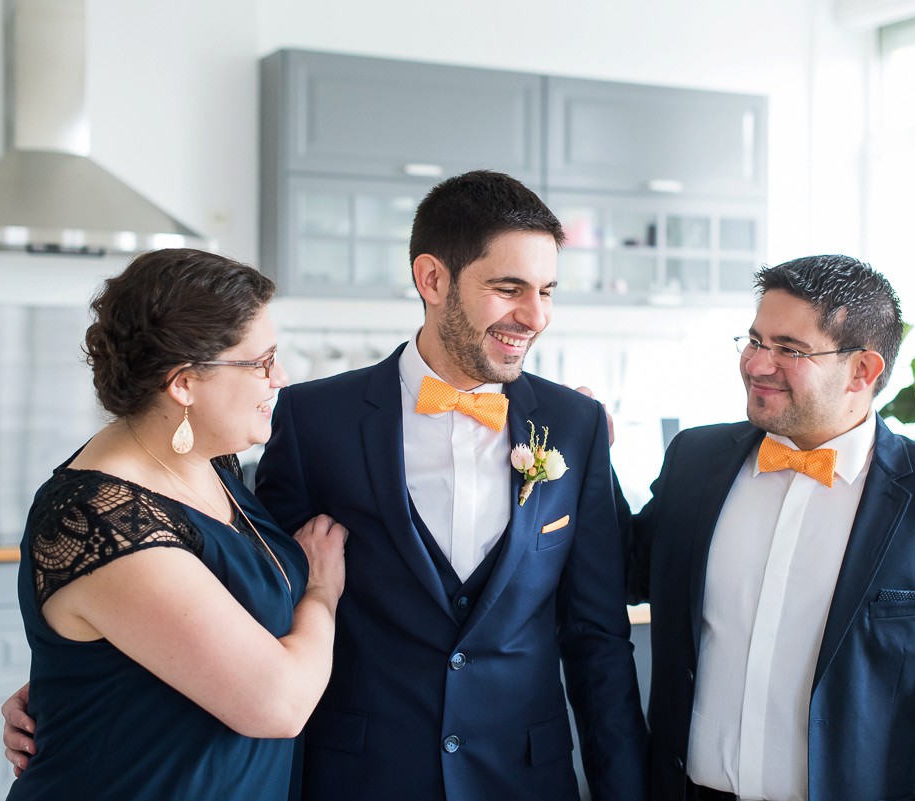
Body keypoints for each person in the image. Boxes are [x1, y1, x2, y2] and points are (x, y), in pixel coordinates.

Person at [254, 170, 646, 800]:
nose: (535, 316)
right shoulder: (312, 420)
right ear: (432, 280)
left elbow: (598, 637)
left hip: (526, 780)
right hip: (359, 777)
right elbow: (255, 606)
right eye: (509, 288)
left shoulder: (575, 426)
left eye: (547, 290)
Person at [622, 255, 915, 801]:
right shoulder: (694, 461)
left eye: (789, 350)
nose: (756, 364)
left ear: (863, 370)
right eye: (754, 340)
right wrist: (578, 451)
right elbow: (625, 573)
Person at [1, 248, 348, 801]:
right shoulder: (98, 518)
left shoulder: (212, 461)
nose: (279, 377)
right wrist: (323, 592)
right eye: (261, 361)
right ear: (184, 383)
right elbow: (278, 705)